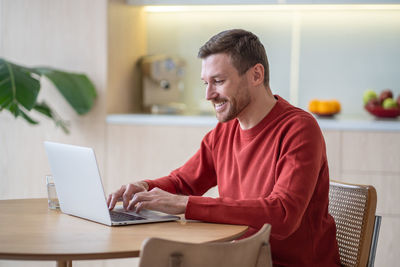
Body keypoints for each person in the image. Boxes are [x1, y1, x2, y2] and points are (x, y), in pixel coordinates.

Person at [107, 29, 341, 266]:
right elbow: (183, 183)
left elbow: (282, 214)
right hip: (241, 259)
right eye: (205, 83)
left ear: (256, 75)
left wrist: (186, 205)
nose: (209, 95)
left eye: (218, 81)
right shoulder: (224, 132)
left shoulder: (299, 129)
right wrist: (143, 188)